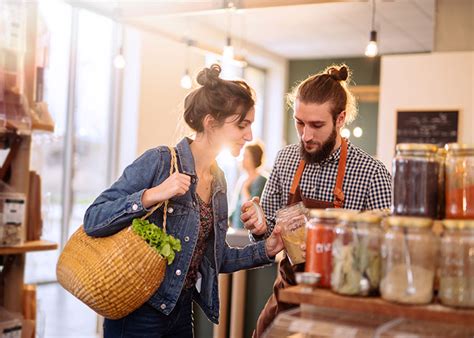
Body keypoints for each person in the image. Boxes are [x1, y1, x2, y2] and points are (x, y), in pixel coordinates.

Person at [83, 64, 284, 338]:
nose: (249, 136)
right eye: (242, 125)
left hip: (180, 313)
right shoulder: (160, 161)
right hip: (137, 315)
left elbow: (217, 258)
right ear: (210, 122)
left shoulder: (218, 181)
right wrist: (153, 195)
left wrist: (268, 249)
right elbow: (94, 218)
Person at [240, 64, 392, 337]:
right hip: (288, 297)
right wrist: (261, 227)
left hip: (344, 308)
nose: (306, 135)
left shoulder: (372, 173)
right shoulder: (286, 159)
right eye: (300, 122)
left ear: (341, 118)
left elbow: (387, 254)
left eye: (317, 125)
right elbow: (269, 239)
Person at [230, 142, 267, 228]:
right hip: (237, 230)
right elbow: (236, 209)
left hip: (249, 231)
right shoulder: (242, 179)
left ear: (254, 158)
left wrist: (245, 188)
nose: (242, 159)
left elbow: (252, 208)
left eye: (246, 156)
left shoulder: (261, 180)